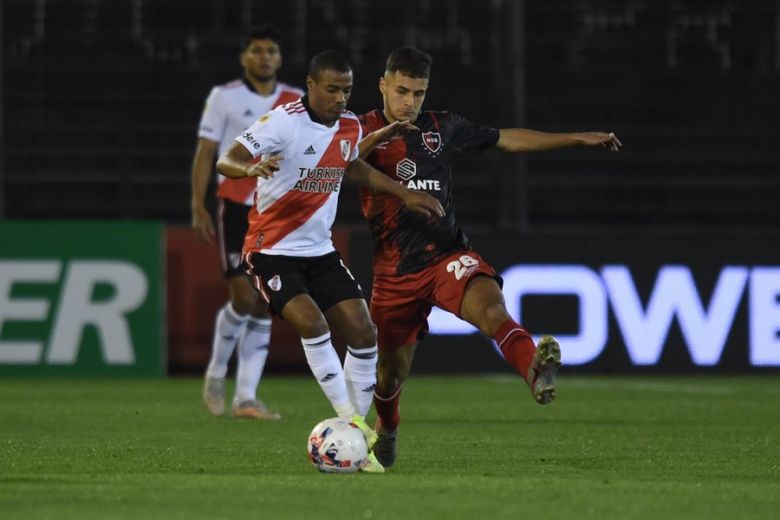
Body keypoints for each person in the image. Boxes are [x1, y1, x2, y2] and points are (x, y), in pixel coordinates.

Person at [358, 47, 622, 467]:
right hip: (395, 271)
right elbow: (344, 165)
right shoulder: (362, 130)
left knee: (491, 308)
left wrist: (575, 138)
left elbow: (507, 140)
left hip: (447, 255)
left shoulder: (442, 126)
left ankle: (534, 372)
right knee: (390, 375)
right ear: (383, 85)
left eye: (418, 93)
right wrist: (403, 193)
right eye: (402, 91)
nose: (409, 102)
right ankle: (387, 428)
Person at [216, 50, 444, 472]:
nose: (341, 98)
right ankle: (354, 423)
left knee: (363, 332)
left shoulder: (351, 124)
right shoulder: (283, 121)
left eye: (348, 90)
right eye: (333, 89)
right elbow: (226, 159)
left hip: (319, 250)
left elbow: (349, 164)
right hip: (271, 251)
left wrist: (404, 192)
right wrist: (249, 171)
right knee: (314, 324)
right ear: (311, 85)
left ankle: (353, 433)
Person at [191, 25, 304, 420]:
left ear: (280, 57)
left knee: (265, 302)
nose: (265, 57)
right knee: (244, 295)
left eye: (272, 50)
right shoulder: (224, 98)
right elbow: (207, 152)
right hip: (236, 207)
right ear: (244, 58)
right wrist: (197, 204)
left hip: (275, 211)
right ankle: (216, 372)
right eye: (257, 50)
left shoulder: (296, 100)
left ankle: (246, 398)